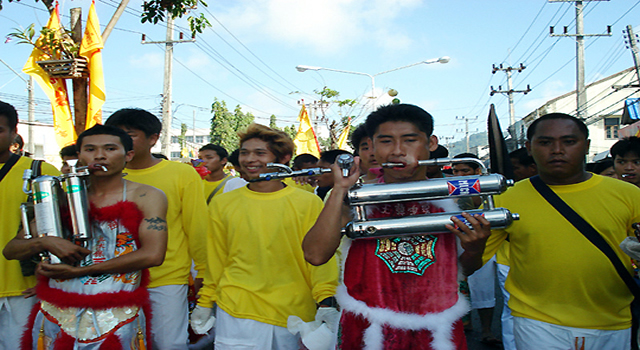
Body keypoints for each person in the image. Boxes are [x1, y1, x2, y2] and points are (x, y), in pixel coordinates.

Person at [303, 104, 490, 349]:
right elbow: (315, 255)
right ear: (372, 145)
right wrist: (340, 189)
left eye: (410, 140)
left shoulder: (453, 198)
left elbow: (463, 270)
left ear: (431, 143)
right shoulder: (356, 198)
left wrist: (475, 248)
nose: (398, 151)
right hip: (367, 325)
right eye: (386, 141)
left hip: (436, 327)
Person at [463, 113, 640, 350]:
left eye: (569, 142)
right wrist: (473, 247)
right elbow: (466, 267)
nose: (557, 150)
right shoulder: (506, 199)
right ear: (529, 147)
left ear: (586, 145)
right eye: (545, 143)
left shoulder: (628, 195)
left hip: (614, 322)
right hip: (536, 323)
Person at [4, 124, 168, 348]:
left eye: (110, 149)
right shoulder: (57, 196)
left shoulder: (147, 195)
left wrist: (80, 271)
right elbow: (11, 250)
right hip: (57, 310)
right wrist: (44, 241)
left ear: (128, 155)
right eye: (90, 149)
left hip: (117, 312)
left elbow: (153, 255)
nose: (99, 155)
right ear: (79, 155)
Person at [191, 123, 339, 349]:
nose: (250, 159)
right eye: (244, 153)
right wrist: (204, 301)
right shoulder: (223, 203)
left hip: (292, 314)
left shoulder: (307, 202)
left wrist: (325, 299)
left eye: (260, 153)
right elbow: (216, 257)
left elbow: (319, 258)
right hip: (236, 310)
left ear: (284, 158)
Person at [105, 108, 208, 350]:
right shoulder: (103, 175)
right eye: (115, 135)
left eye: (129, 135)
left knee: (168, 343)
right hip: (112, 278)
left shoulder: (180, 173)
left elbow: (197, 226)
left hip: (167, 277)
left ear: (153, 139)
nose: (120, 141)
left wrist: (203, 272)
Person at [0, 102, 59, 350]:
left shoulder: (41, 173)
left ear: (15, 133)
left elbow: (62, 232)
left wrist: (51, 280)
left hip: (24, 289)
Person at [451, 152, 501, 347]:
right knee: (461, 284)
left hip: (488, 242)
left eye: (465, 170)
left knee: (484, 287)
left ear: (477, 171)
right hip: (459, 241)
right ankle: (464, 322)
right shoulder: (450, 190)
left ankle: (487, 330)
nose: (459, 175)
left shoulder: (489, 187)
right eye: (455, 171)